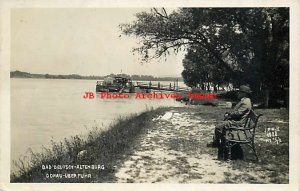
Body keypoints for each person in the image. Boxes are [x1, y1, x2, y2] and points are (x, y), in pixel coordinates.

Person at [207, 85, 252, 159]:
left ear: (244, 93)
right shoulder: (245, 100)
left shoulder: (246, 102)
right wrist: (229, 114)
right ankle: (219, 143)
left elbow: (238, 113)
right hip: (237, 121)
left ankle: (218, 144)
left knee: (218, 127)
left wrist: (229, 115)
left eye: (239, 92)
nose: (238, 94)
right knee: (220, 126)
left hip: (238, 123)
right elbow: (238, 112)